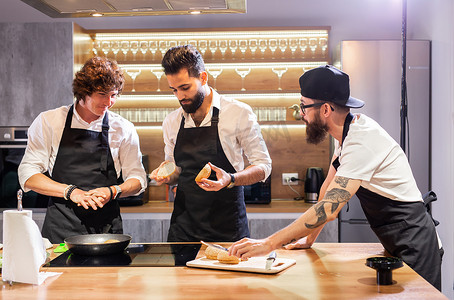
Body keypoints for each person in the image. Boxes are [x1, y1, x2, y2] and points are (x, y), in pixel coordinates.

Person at [229, 65, 443, 290]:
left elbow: (330, 209)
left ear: (326, 110)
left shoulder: (361, 141)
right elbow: (327, 191)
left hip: (417, 245)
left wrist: (268, 243)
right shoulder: (347, 136)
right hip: (397, 242)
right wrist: (309, 239)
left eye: (304, 106)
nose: (301, 114)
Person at [18, 56, 147, 243]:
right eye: (102, 94)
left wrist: (113, 191)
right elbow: (27, 175)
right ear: (83, 92)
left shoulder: (123, 128)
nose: (109, 102)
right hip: (60, 230)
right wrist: (71, 192)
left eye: (114, 95)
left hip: (107, 232)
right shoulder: (50, 121)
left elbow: (138, 179)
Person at [150, 45, 272, 242]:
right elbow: (175, 170)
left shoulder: (238, 113)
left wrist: (231, 179)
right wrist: (166, 175)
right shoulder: (171, 121)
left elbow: (264, 166)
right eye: (173, 90)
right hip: (183, 230)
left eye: (185, 88)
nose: (180, 97)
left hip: (227, 228)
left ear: (203, 78)